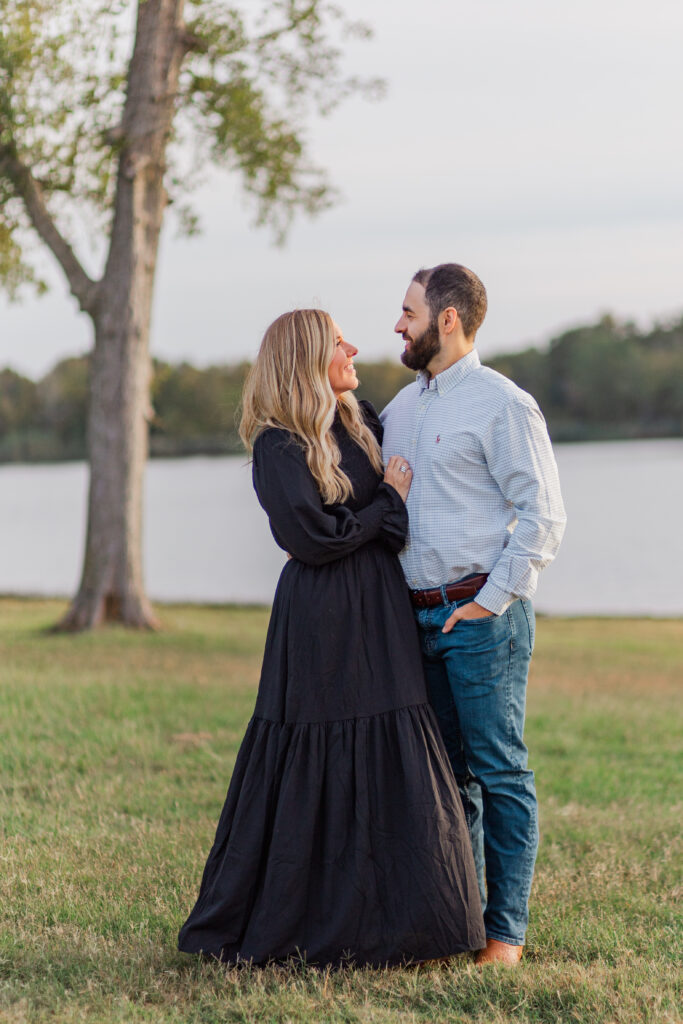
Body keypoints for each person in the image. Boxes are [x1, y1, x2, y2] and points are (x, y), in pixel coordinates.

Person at [178, 308, 485, 967]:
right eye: (338, 343)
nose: (353, 349)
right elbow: (314, 539)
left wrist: (373, 518)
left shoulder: (360, 420)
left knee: (396, 746)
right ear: (307, 359)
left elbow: (385, 530)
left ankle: (410, 927)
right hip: (320, 617)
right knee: (320, 744)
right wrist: (384, 505)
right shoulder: (277, 444)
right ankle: (312, 920)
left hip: (379, 606)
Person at [381, 265, 567, 965]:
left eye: (408, 313)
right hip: (415, 620)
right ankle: (454, 923)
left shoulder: (503, 404)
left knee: (499, 772)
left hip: (481, 618)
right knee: (444, 779)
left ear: (448, 319)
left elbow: (543, 517)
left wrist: (488, 602)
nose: (398, 325)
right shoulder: (399, 410)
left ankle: (503, 936)